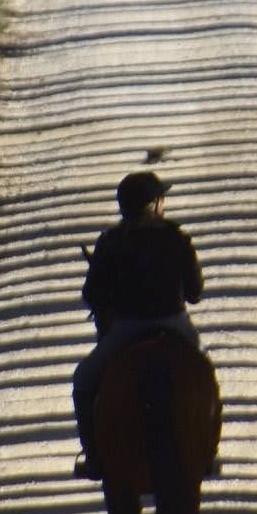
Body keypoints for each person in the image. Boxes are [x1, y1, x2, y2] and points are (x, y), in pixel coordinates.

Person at [72, 170, 203, 477]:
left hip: (125, 329)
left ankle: (94, 457)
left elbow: (91, 294)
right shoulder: (176, 237)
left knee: (83, 383)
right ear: (156, 204)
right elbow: (195, 293)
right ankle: (206, 450)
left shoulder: (110, 241)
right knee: (204, 374)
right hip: (174, 325)